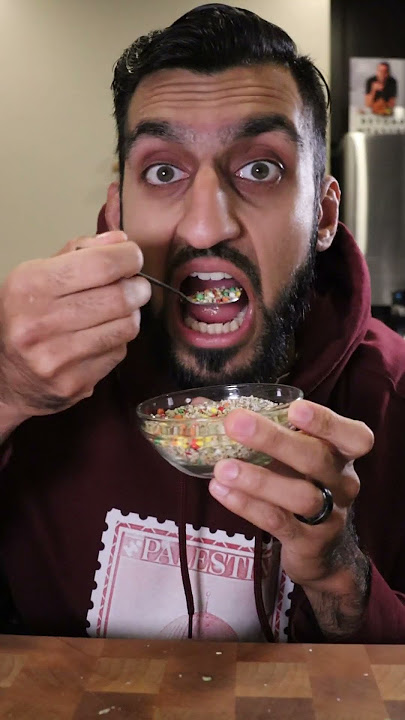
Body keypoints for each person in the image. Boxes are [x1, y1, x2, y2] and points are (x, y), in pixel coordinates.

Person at [0, 3, 404, 644]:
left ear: (325, 215)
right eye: (164, 172)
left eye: (260, 169)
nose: (206, 226)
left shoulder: (395, 392)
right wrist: (4, 392)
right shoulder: (33, 372)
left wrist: (341, 580)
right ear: (118, 211)